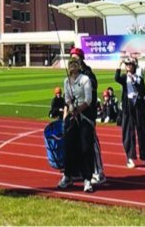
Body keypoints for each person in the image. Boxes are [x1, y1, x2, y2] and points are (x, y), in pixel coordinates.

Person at [57, 56, 96, 193]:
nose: (73, 66)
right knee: (69, 146)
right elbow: (67, 98)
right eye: (70, 64)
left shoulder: (85, 80)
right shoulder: (67, 81)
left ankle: (87, 179)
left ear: (79, 66)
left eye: (75, 63)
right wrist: (70, 106)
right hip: (72, 116)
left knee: (85, 148)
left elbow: (88, 100)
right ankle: (67, 175)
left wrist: (78, 110)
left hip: (84, 116)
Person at [69, 47, 106, 185]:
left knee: (91, 143)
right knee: (78, 144)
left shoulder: (88, 73)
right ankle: (81, 171)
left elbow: (91, 88)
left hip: (87, 115)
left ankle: (98, 172)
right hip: (77, 114)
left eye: (76, 58)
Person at [115, 57, 145, 169]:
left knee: (142, 133)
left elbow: (143, 92)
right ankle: (130, 157)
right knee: (128, 133)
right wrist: (119, 64)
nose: (128, 66)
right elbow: (116, 78)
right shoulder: (124, 77)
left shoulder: (139, 79)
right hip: (128, 108)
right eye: (126, 64)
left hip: (138, 107)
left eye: (130, 64)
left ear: (134, 66)